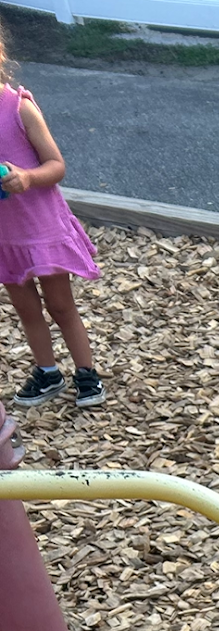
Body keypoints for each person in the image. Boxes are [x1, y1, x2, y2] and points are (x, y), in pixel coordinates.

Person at [0, 25, 105, 410]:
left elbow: (56, 165)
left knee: (61, 306)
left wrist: (28, 177)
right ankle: (47, 372)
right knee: (26, 309)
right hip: (5, 237)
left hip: (41, 229)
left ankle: (86, 372)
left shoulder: (18, 108)